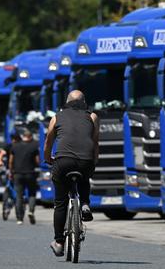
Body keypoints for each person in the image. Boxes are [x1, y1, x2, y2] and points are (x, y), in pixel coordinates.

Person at [44, 90, 99, 256]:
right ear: (84, 103)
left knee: (60, 202)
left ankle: (59, 242)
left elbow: (48, 140)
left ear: (67, 102)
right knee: (84, 175)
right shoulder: (93, 117)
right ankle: (85, 203)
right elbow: (95, 142)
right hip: (86, 160)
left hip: (63, 161)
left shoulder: (57, 117)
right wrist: (93, 161)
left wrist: (48, 158)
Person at [8, 130, 39, 225]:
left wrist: (10, 171)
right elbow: (37, 161)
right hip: (30, 173)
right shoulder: (34, 146)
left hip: (17, 174)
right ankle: (31, 211)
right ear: (30, 136)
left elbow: (10, 161)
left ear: (23, 136)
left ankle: (19, 219)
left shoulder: (15, 146)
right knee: (32, 194)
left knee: (19, 196)